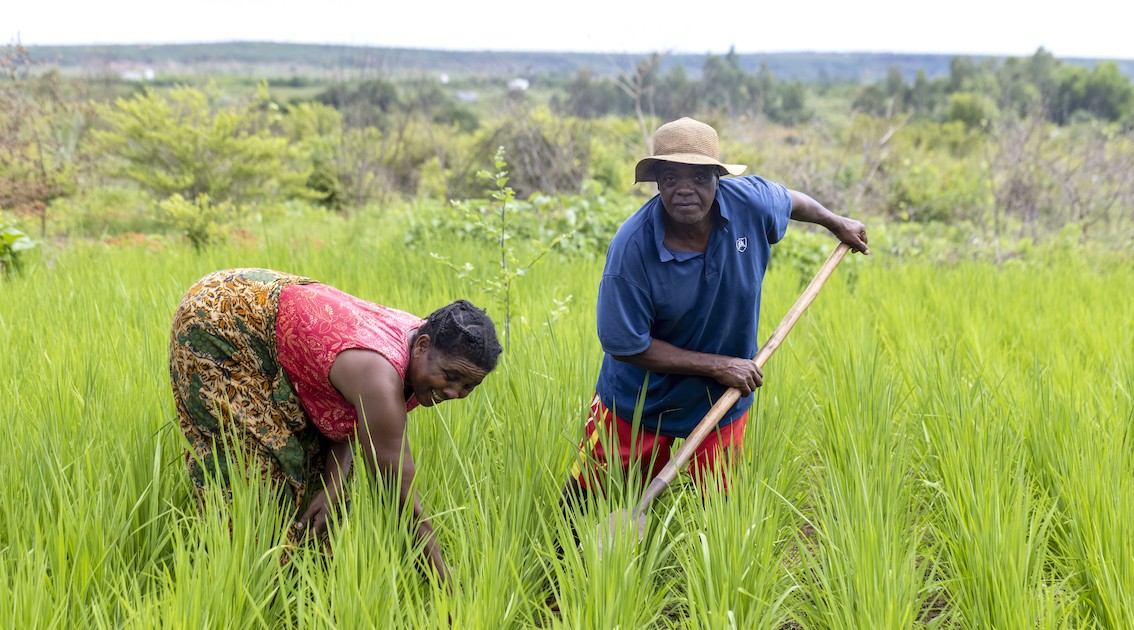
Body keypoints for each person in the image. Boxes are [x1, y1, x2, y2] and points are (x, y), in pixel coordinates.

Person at [566, 117, 869, 500]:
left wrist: (834, 221)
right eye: (671, 178)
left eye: (698, 177)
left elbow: (791, 199)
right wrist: (720, 365)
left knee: (714, 512)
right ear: (657, 181)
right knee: (587, 500)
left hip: (720, 397)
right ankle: (554, 557)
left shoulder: (750, 202)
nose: (684, 191)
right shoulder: (632, 249)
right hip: (639, 399)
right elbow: (625, 344)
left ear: (717, 178)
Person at [169, 267, 502, 581]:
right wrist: (448, 590)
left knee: (325, 488)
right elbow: (400, 499)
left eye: (468, 386)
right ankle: (236, 578)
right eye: (451, 376)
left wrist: (332, 485)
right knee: (251, 477)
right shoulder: (380, 375)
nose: (455, 392)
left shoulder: (422, 346)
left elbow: (347, 414)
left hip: (271, 316)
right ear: (424, 346)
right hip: (221, 320)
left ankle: (301, 586)